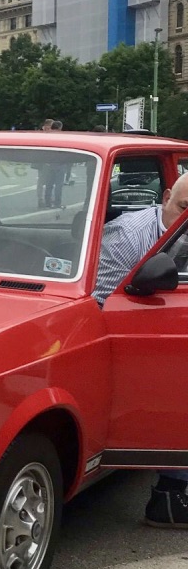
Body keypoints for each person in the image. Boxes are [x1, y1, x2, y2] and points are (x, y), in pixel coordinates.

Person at [92, 172, 188, 527]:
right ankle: (172, 493)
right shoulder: (126, 236)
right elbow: (96, 306)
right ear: (165, 197)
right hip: (125, 347)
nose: (187, 217)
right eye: (183, 207)